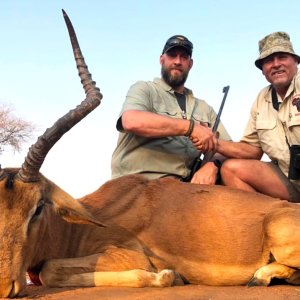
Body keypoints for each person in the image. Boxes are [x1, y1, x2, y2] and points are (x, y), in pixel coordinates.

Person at [111, 35, 231, 184]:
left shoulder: (205, 108)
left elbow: (227, 149)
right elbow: (130, 121)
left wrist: (213, 165)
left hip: (183, 189)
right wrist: (191, 128)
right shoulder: (144, 89)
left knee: (236, 171)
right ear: (162, 59)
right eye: (172, 55)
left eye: (184, 57)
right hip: (137, 184)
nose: (177, 61)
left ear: (190, 64)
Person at [215, 31, 300, 202]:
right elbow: (252, 150)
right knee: (231, 169)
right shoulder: (262, 99)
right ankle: (267, 221)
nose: (276, 64)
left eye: (282, 57)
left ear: (296, 61)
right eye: (269, 61)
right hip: (290, 181)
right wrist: (211, 142)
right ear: (263, 70)